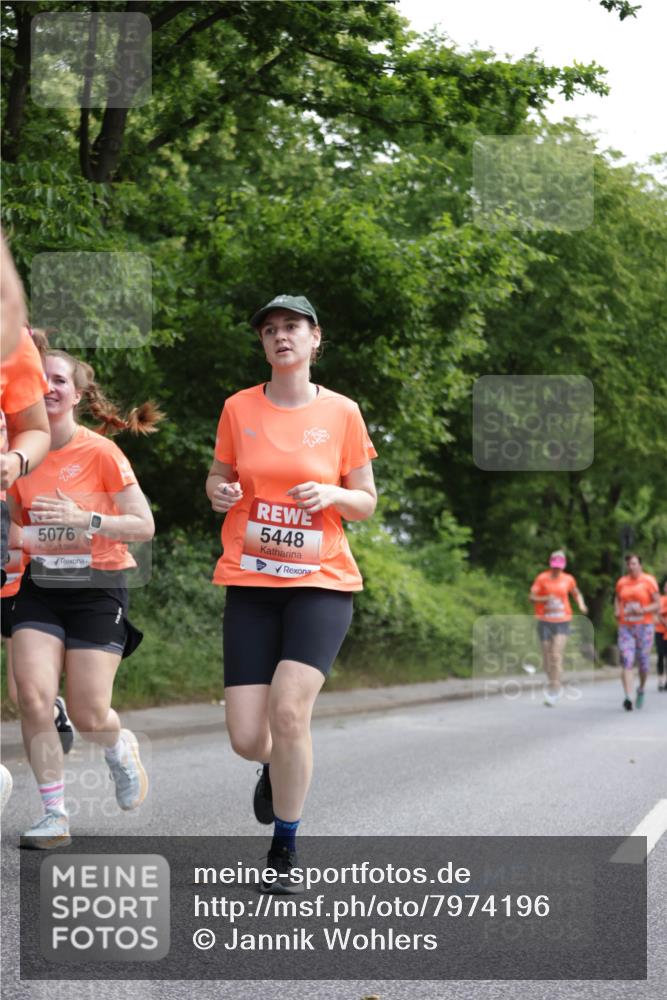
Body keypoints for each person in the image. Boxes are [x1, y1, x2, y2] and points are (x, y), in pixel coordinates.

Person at [206, 295, 377, 891]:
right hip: (251, 580)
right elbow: (218, 474)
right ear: (263, 343)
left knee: (289, 709)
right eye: (271, 330)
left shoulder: (343, 413)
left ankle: (285, 846)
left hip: (320, 581)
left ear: (314, 338)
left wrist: (332, 496)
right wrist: (220, 493)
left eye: (292, 328)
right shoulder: (237, 408)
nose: (281, 337)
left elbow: (366, 500)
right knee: (249, 737)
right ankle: (272, 767)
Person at [7, 349, 161, 848]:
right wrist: (22, 539)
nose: (49, 388)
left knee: (89, 712)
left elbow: (143, 525)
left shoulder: (100, 453)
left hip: (98, 585)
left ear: (77, 394)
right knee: (31, 695)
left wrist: (85, 520)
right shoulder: (17, 453)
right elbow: (12, 529)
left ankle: (117, 745)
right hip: (42, 586)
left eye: (59, 380)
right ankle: (54, 814)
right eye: (40, 380)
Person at [529, 550, 588, 706]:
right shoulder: (542, 578)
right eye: (554, 566)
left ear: (564, 566)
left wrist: (581, 605)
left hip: (562, 620)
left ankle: (555, 689)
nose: (557, 570)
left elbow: (576, 593)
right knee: (547, 658)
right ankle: (552, 682)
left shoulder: (568, 579)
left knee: (556, 654)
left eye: (559, 567)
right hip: (545, 620)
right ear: (550, 564)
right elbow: (532, 597)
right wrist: (545, 598)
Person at [614, 553, 660, 711]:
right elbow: (618, 599)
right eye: (629, 564)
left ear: (640, 565)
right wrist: (616, 611)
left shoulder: (649, 581)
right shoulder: (622, 582)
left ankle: (641, 688)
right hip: (626, 626)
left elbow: (657, 605)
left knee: (643, 664)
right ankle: (628, 696)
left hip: (644, 626)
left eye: (634, 563)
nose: (631, 567)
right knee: (627, 660)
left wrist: (643, 609)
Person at [653, 577, 667, 691]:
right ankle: (660, 680)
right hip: (659, 631)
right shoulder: (661, 600)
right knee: (660, 655)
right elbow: (657, 613)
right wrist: (664, 622)